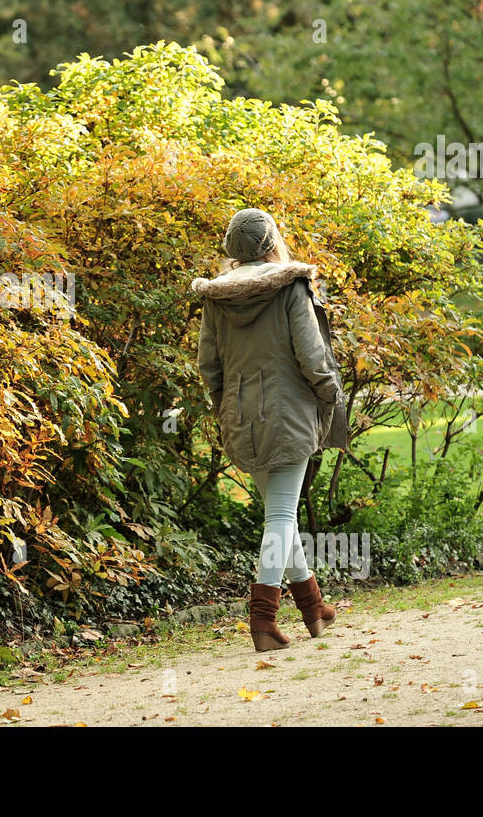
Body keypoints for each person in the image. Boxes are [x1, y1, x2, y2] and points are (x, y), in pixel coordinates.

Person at [190, 208, 349, 652]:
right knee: (280, 517)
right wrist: (330, 393)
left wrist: (224, 404)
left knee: (279, 516)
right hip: (288, 412)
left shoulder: (216, 297)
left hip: (240, 415)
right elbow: (311, 354)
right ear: (270, 243)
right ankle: (262, 621)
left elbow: (209, 364)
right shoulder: (291, 286)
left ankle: (314, 607)